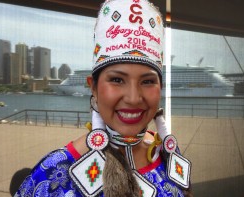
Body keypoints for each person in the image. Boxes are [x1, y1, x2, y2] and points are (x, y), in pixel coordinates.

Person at [15, 0, 192, 196]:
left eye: (148, 81)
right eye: (117, 79)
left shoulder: (168, 154)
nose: (133, 98)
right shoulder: (54, 173)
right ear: (94, 88)